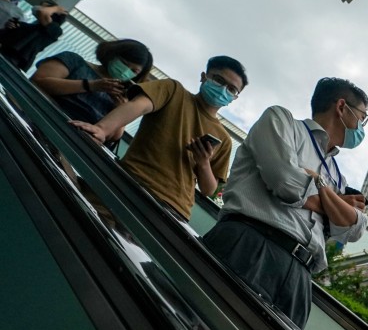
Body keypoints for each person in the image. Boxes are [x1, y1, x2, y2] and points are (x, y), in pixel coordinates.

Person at [202, 77, 368, 328]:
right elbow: (286, 182)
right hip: (251, 243)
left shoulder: (337, 176)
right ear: (342, 107)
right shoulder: (282, 121)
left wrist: (320, 186)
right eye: (362, 117)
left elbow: (355, 228)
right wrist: (334, 203)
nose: (361, 127)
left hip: (300, 275)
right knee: (208, 326)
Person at [71, 55, 246, 220]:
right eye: (219, 80)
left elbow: (210, 190)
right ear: (204, 76)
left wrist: (203, 162)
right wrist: (101, 129)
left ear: (235, 98)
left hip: (173, 211)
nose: (223, 89)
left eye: (231, 89)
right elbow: (138, 106)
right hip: (128, 184)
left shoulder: (224, 140)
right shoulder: (173, 90)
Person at [31, 39, 154, 142]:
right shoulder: (73, 60)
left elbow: (112, 137)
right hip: (37, 118)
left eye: (134, 71)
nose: (126, 70)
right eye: (124, 63)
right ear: (112, 54)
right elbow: (39, 81)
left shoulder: (122, 97)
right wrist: (90, 85)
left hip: (73, 141)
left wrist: (121, 111)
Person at [0, 0, 67, 71]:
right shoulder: (26, 26)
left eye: (43, 6)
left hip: (11, 62)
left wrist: (56, 8)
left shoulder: (54, 30)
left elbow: (42, 12)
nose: (37, 8)